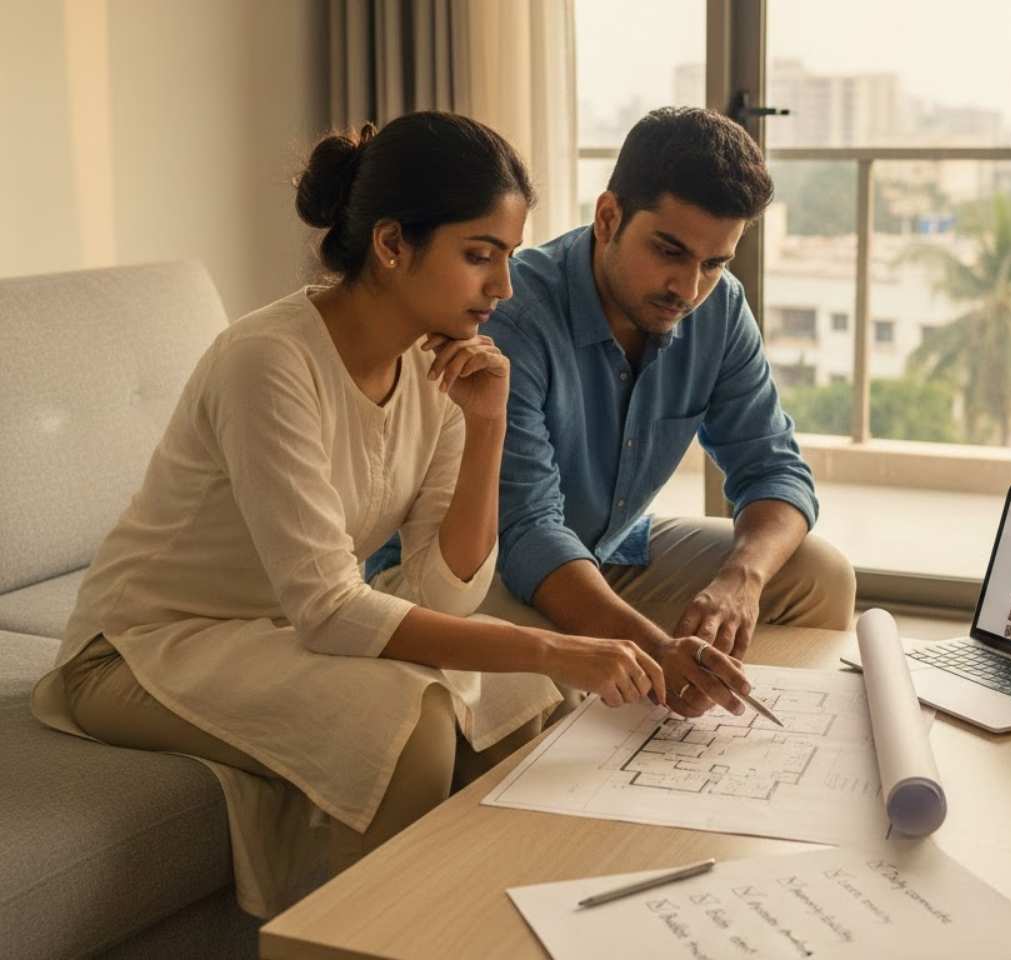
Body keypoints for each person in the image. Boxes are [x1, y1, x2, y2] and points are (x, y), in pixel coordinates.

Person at [29, 111, 684, 919]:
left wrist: (486, 428)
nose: (504, 288)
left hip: (272, 632)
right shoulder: (267, 362)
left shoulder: (443, 366)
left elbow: (440, 598)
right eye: (479, 255)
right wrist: (555, 641)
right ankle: (364, 934)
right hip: (139, 647)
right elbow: (331, 609)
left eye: (508, 258)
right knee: (407, 718)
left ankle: (512, 926)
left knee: (523, 697)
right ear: (391, 244)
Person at [369, 107, 855, 719]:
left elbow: (774, 467)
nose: (688, 287)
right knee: (557, 689)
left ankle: (740, 748)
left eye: (714, 263)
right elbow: (528, 532)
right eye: (669, 250)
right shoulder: (512, 316)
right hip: (480, 576)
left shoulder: (719, 309)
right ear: (608, 218)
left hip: (604, 553)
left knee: (820, 575)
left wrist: (741, 582)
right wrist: (657, 649)